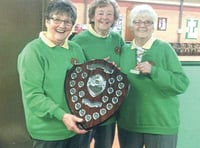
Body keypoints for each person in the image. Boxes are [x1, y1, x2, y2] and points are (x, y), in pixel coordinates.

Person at [117, 4, 189, 148]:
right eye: (137, 21)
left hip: (160, 123)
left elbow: (181, 83)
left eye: (147, 22)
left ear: (153, 26)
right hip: (130, 123)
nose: (142, 25)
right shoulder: (124, 50)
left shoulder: (164, 48)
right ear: (131, 25)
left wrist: (154, 71)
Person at [17, 1, 87, 148]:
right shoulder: (33, 52)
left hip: (76, 127)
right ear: (47, 21)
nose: (62, 26)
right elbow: (33, 96)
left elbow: (84, 82)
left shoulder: (76, 49)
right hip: (48, 132)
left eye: (67, 21)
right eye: (56, 19)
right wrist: (62, 115)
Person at [72, 0, 125, 148]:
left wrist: (117, 69)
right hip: (85, 110)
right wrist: (96, 68)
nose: (105, 17)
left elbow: (123, 69)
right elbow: (73, 75)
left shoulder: (117, 39)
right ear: (92, 17)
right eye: (100, 13)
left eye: (109, 14)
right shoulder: (79, 41)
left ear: (114, 18)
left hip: (109, 110)